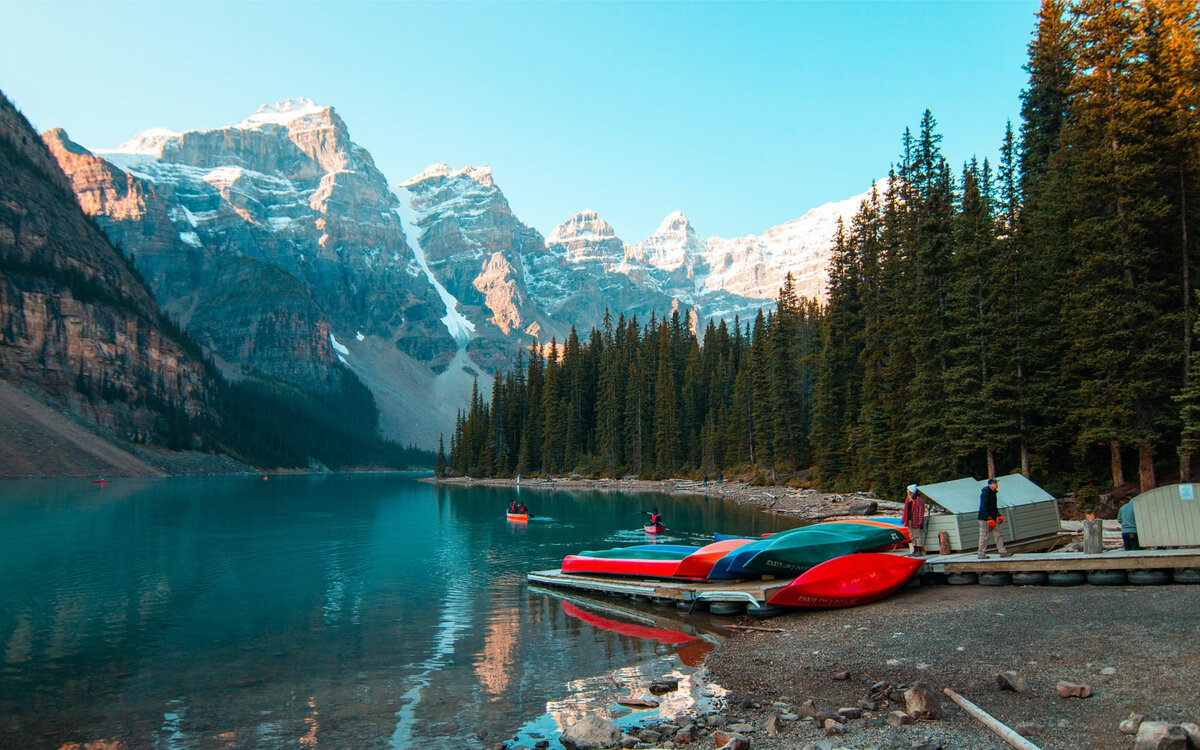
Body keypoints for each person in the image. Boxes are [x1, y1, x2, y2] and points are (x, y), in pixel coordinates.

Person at [978, 477, 1011, 558]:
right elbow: (983, 506)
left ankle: (1003, 552)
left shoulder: (994, 493)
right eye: (994, 483)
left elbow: (994, 506)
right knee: (984, 536)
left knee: (998, 534)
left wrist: (998, 514)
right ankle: (981, 554)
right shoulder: (985, 493)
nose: (996, 484)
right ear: (990, 484)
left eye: (996, 483)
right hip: (985, 518)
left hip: (993, 517)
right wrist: (988, 518)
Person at [902, 484, 927, 556]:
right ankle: (914, 550)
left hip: (915, 520)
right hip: (909, 520)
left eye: (908, 490)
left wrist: (920, 521)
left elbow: (921, 511)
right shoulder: (908, 500)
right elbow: (906, 511)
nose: (907, 491)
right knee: (912, 536)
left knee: (917, 535)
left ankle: (919, 550)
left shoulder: (919, 500)